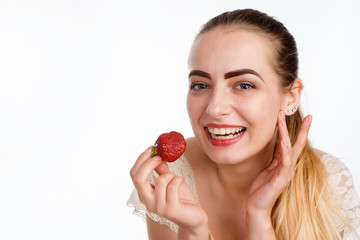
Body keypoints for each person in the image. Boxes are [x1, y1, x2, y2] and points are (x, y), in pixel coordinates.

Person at [127, 9, 360, 240]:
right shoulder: (171, 178)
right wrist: (192, 231)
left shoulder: (328, 183)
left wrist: (259, 219)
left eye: (244, 85)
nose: (214, 108)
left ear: (291, 97)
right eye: (200, 85)